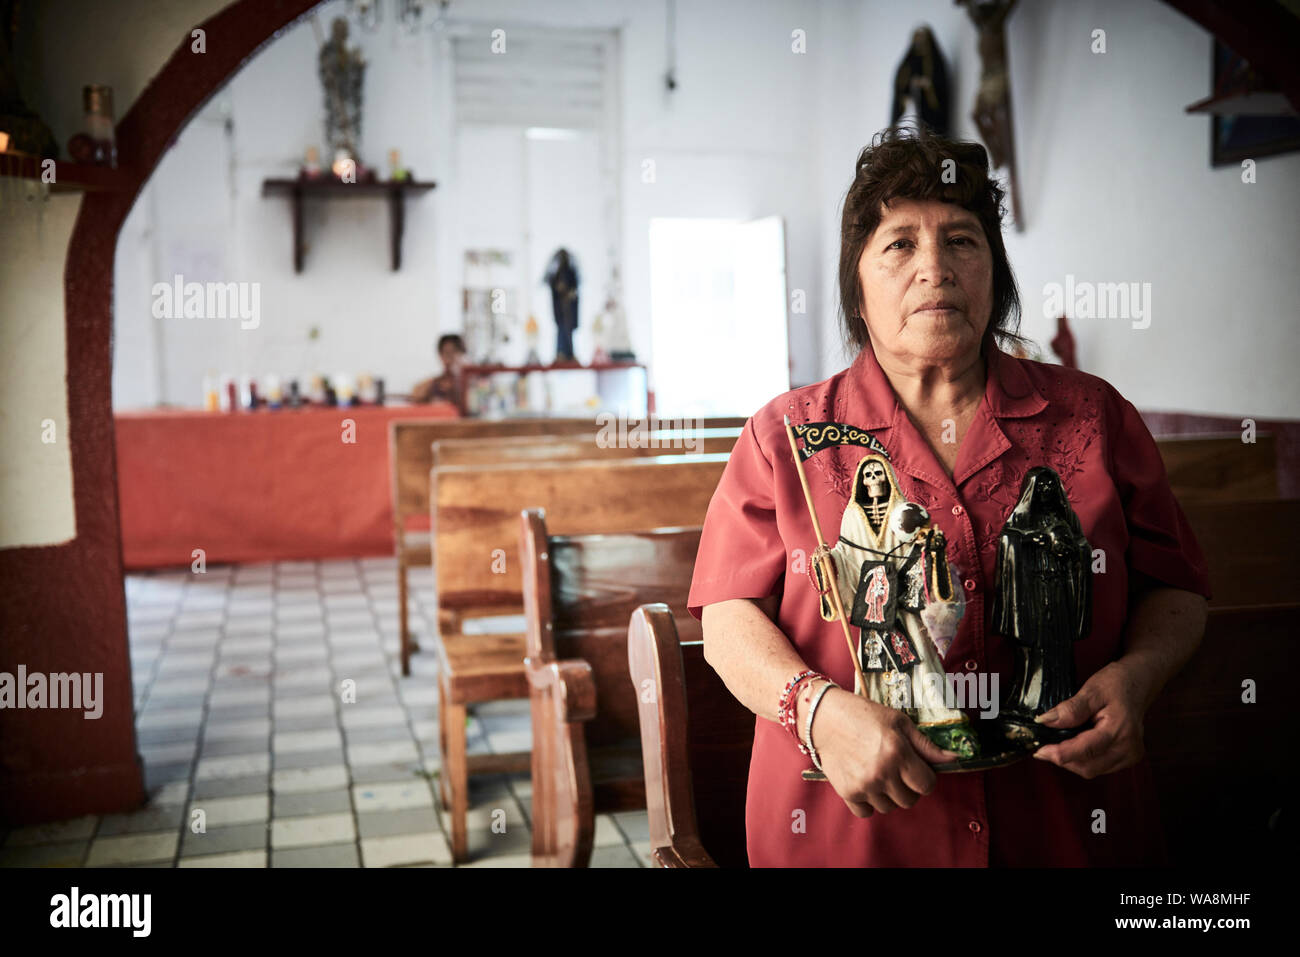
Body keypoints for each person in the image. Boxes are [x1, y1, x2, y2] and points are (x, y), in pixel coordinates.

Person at [687, 126, 1211, 867]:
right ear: (857, 287)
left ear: (995, 272)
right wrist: (818, 713)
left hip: (1066, 819)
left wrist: (1138, 678)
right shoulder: (786, 436)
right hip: (854, 830)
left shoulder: (1093, 418)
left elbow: (1177, 585)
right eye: (899, 244)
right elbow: (727, 616)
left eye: (962, 240)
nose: (935, 266)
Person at [411, 334, 467, 411]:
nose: (453, 358)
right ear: (440, 356)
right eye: (448, 353)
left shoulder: (469, 385)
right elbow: (415, 395)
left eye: (456, 352)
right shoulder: (431, 385)